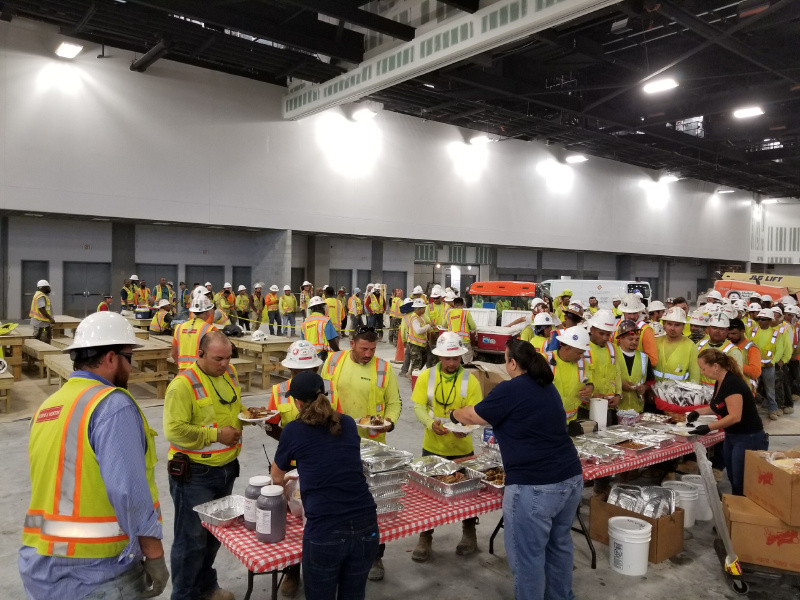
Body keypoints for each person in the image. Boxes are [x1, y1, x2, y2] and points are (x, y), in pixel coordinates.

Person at [19, 312, 168, 600]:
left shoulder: (48, 407)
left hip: (41, 566)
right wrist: (155, 555)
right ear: (111, 358)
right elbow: (128, 493)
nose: (132, 368)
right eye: (129, 357)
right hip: (96, 572)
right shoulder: (113, 406)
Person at [450, 339, 583, 600]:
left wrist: (454, 413)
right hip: (570, 478)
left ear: (512, 363)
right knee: (560, 546)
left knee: (528, 558)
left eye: (505, 359)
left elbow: (473, 417)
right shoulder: (546, 385)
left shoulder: (511, 389)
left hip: (534, 486)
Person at [271, 372, 378, 600]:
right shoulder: (347, 423)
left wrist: (289, 480)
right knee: (354, 594)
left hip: (325, 528)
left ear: (297, 402)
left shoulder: (293, 429)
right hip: (366, 522)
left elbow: (276, 476)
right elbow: (337, 461)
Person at [164, 331, 244, 600]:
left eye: (228, 357)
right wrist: (216, 435)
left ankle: (206, 587)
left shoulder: (229, 374)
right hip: (195, 474)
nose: (224, 364)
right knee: (191, 540)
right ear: (200, 354)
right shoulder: (182, 385)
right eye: (218, 358)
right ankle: (184, 595)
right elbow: (174, 430)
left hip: (226, 468)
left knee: (214, 536)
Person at [321, 327, 401, 581]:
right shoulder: (333, 361)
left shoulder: (383, 368)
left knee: (373, 504)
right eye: (363, 348)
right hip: (336, 443)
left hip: (373, 446)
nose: (368, 354)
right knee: (337, 503)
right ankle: (339, 553)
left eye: (373, 349)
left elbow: (395, 403)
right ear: (352, 344)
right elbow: (321, 396)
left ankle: (375, 556)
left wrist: (389, 421)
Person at [410, 332, 483, 562]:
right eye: (447, 358)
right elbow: (419, 407)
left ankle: (469, 532)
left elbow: (475, 412)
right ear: (439, 357)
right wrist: (431, 424)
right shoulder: (426, 377)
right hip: (432, 446)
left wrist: (467, 429)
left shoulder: (470, 381)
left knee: (468, 496)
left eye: (455, 358)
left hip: (462, 448)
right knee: (427, 496)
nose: (451, 363)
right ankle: (425, 536)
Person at [687, 348, 769, 496]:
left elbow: (734, 416)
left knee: (741, 481)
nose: (702, 372)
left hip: (748, 437)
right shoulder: (720, 381)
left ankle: (743, 513)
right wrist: (697, 412)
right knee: (733, 477)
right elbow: (717, 406)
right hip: (732, 436)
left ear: (715, 366)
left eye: (703, 368)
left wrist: (708, 427)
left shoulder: (732, 384)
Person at [546, 325, 593, 423]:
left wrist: (590, 388)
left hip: (571, 422)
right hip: (546, 422)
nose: (582, 356)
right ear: (567, 348)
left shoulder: (583, 364)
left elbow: (589, 381)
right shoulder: (545, 360)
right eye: (579, 352)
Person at [583, 310, 621, 419]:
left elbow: (617, 373)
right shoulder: (583, 348)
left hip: (608, 405)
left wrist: (618, 395)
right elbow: (577, 376)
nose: (605, 338)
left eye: (608, 334)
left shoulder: (613, 348)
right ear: (591, 330)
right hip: (585, 406)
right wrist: (591, 395)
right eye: (601, 333)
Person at [752, 308, 784, 420]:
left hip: (768, 366)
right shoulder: (753, 331)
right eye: (759, 319)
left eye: (764, 319)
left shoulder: (776, 334)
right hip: (754, 365)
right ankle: (752, 410)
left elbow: (780, 350)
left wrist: (773, 361)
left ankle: (773, 410)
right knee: (752, 389)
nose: (761, 321)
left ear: (770, 321)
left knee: (770, 389)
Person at [653, 307, 700, 384]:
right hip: (655, 391)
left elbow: (695, 376)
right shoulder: (656, 342)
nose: (672, 328)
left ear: (683, 326)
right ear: (664, 324)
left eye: (677, 325)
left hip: (679, 393)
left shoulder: (691, 346)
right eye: (669, 324)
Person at [697, 313, 743, 390]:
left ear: (727, 330)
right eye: (714, 328)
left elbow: (737, 378)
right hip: (699, 389)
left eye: (722, 329)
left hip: (721, 390)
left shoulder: (733, 351)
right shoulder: (700, 344)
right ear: (708, 328)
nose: (718, 331)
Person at [617, 320, 655, 413]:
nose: (634, 342)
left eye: (637, 339)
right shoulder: (613, 354)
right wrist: (620, 384)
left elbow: (651, 381)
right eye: (630, 339)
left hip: (637, 409)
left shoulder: (644, 357)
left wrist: (644, 388)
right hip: (616, 408)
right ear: (621, 338)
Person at [171, 295, 217, 371]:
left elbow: (173, 353)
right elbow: (216, 356)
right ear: (209, 311)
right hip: (201, 375)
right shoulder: (211, 329)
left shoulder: (179, 328)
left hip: (183, 375)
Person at [617, 293, 657, 365]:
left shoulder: (646, 330)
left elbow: (653, 360)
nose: (632, 316)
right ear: (623, 312)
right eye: (629, 313)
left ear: (639, 312)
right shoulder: (616, 326)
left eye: (635, 313)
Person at [300, 296, 340, 361]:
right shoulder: (325, 321)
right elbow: (332, 341)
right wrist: (339, 353)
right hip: (323, 357)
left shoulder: (304, 323)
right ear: (320, 307)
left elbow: (303, 341)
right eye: (323, 307)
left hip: (309, 357)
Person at [728, 317, 762, 392]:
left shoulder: (752, 348)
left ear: (742, 331)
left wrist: (735, 364)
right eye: (729, 333)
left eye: (734, 333)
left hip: (746, 390)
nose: (730, 336)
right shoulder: (727, 345)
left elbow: (755, 372)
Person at [407, 298, 435, 374]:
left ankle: (412, 374)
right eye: (423, 308)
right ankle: (413, 376)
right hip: (415, 344)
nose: (425, 309)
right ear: (419, 309)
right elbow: (418, 331)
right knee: (417, 362)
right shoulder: (415, 318)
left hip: (421, 344)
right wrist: (429, 326)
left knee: (422, 360)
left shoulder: (421, 316)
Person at [446, 296, 477, 364]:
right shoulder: (466, 313)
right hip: (464, 340)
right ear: (463, 304)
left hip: (452, 341)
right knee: (467, 362)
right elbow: (473, 326)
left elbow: (444, 324)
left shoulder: (448, 313)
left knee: (453, 362)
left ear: (454, 304)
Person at [30, 279, 56, 343]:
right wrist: (50, 318)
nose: (49, 288)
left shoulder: (40, 295)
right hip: (40, 323)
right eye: (48, 287)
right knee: (39, 340)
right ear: (43, 287)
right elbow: (41, 309)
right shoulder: (41, 296)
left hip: (42, 323)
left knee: (46, 339)